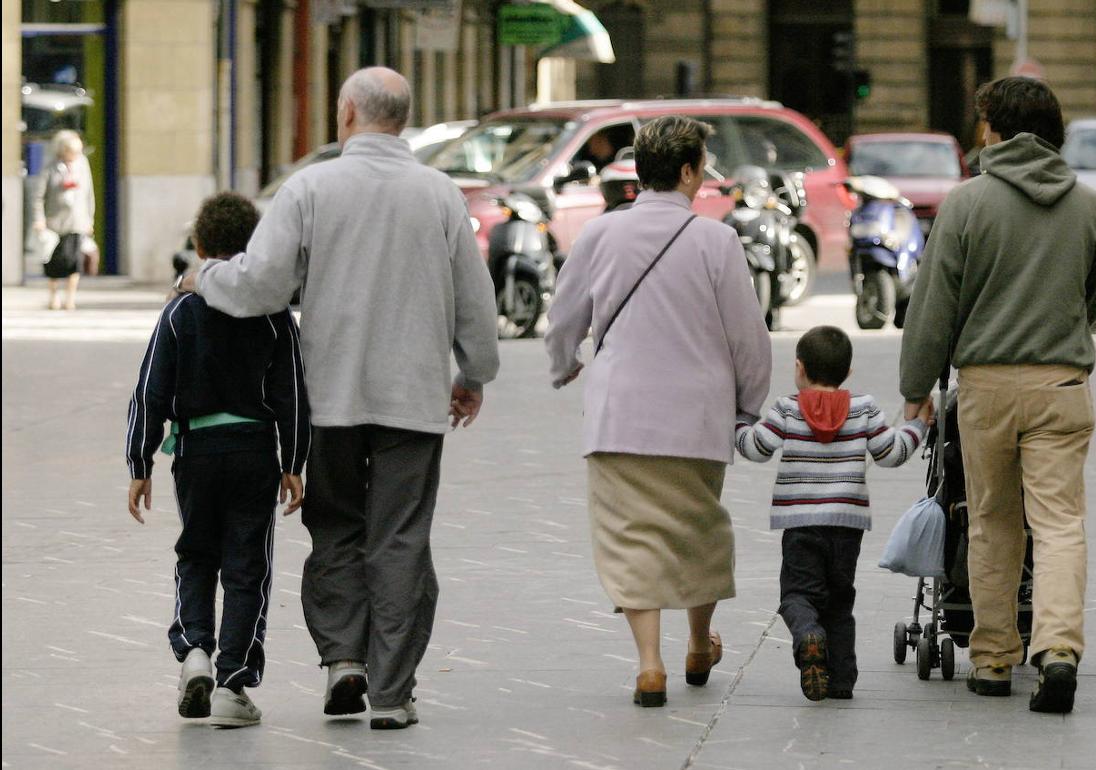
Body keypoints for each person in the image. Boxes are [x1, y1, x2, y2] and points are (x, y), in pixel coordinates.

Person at [177, 67, 500, 730]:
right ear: (402, 118)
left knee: (335, 528)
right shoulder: (440, 196)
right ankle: (391, 689)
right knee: (401, 536)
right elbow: (475, 299)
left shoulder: (311, 188)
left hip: (328, 396)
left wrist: (201, 274)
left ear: (348, 113)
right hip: (413, 399)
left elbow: (261, 285)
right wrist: (474, 373)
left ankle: (344, 660)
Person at [899, 77, 1096, 714]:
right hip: (1061, 385)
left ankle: (993, 659)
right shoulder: (1089, 206)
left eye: (982, 122)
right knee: (1059, 526)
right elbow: (1093, 301)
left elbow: (934, 306)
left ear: (997, 130)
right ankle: (1057, 652)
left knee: (991, 521)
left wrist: (917, 387)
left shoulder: (966, 205)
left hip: (986, 388)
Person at [545, 115, 772, 708]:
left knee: (628, 539)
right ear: (690, 171)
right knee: (697, 529)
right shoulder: (716, 241)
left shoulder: (600, 234)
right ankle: (699, 643)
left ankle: (650, 666)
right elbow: (748, 336)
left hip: (619, 417)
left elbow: (565, 313)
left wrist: (563, 362)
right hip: (698, 419)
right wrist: (749, 406)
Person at [125, 192, 310, 729]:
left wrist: (140, 463)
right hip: (255, 451)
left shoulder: (180, 311)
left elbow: (149, 390)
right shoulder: (272, 314)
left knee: (197, 552)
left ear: (200, 246)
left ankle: (195, 653)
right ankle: (234, 683)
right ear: (253, 246)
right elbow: (292, 391)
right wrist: (295, 460)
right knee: (248, 565)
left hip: (194, 453)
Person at [735, 326, 929, 701]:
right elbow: (892, 453)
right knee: (840, 601)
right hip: (846, 526)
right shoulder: (865, 408)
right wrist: (918, 425)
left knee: (796, 595)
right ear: (849, 373)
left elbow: (755, 447)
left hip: (801, 524)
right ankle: (840, 681)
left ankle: (807, 631)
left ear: (799, 368)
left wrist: (740, 421)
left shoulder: (787, 409)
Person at [32, 129, 97, 310]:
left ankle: (70, 298)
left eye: (78, 151)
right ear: (62, 150)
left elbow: (88, 194)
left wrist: (89, 220)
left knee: (73, 261)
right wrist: (40, 219)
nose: (75, 155)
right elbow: (39, 197)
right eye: (72, 151)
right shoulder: (50, 166)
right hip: (54, 222)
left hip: (77, 221)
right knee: (54, 262)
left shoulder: (82, 164)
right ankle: (53, 296)